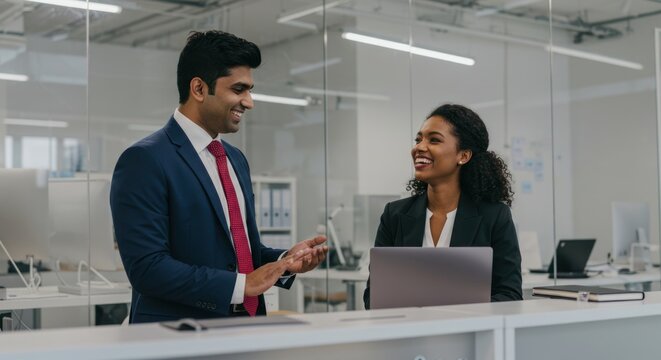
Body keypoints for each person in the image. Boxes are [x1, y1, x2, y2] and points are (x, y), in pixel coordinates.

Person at [110, 30, 328, 323]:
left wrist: (284, 262)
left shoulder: (235, 160)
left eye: (250, 90)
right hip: (178, 335)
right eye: (239, 90)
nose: (248, 102)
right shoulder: (145, 160)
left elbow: (238, 253)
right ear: (199, 89)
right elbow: (147, 269)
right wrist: (242, 286)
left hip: (245, 328)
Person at [363, 104, 522, 309]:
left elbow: (510, 296)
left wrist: (447, 310)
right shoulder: (394, 215)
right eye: (418, 139)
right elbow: (373, 298)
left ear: (463, 156)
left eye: (434, 140)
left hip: (468, 336)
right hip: (407, 335)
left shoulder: (494, 216)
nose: (419, 147)